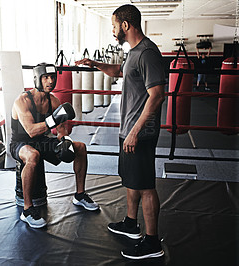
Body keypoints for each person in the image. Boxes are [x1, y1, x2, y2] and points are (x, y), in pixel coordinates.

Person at [75, 4, 165, 260]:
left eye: (114, 26)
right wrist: (94, 63)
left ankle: (152, 243)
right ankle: (130, 223)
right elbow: (119, 72)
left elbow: (157, 95)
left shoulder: (147, 52)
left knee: (145, 185)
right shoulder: (133, 52)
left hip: (141, 131)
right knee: (132, 179)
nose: (113, 31)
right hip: (129, 129)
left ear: (126, 25)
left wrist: (136, 130)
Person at [10, 63, 99, 229]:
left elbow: (61, 130)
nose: (50, 81)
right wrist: (53, 120)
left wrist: (65, 141)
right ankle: (28, 210)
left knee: (80, 147)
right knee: (33, 155)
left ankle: (80, 194)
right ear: (37, 79)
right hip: (20, 143)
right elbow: (30, 130)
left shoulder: (53, 101)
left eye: (53, 77)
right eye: (45, 77)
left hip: (42, 141)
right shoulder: (22, 101)